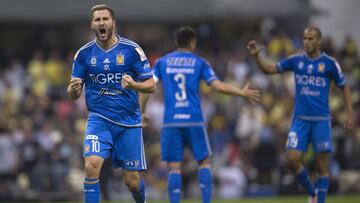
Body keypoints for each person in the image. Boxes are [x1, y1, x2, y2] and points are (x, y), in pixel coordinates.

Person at [141, 27, 260, 203]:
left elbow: (148, 86)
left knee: (174, 168)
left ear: (176, 43)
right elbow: (218, 86)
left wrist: (142, 111)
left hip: (171, 121)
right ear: (192, 43)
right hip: (194, 119)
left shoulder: (162, 62)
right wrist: (241, 92)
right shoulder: (199, 62)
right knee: (204, 163)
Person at [247, 26, 353, 203]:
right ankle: (312, 193)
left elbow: (344, 87)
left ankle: (320, 201)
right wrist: (257, 56)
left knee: (321, 165)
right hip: (300, 120)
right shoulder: (296, 60)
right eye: (304, 38)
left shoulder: (329, 63)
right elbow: (269, 69)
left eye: (311, 39)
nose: (307, 42)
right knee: (291, 160)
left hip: (321, 120)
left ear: (318, 41)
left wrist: (350, 114)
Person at [67, 4, 155, 203]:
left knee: (131, 181)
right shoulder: (83, 54)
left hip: (128, 123)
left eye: (105, 19)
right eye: (97, 20)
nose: (101, 23)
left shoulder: (131, 50)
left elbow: (151, 85)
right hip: (99, 120)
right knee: (91, 165)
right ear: (92, 24)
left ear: (113, 23)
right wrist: (73, 91)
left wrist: (133, 84)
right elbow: (73, 93)